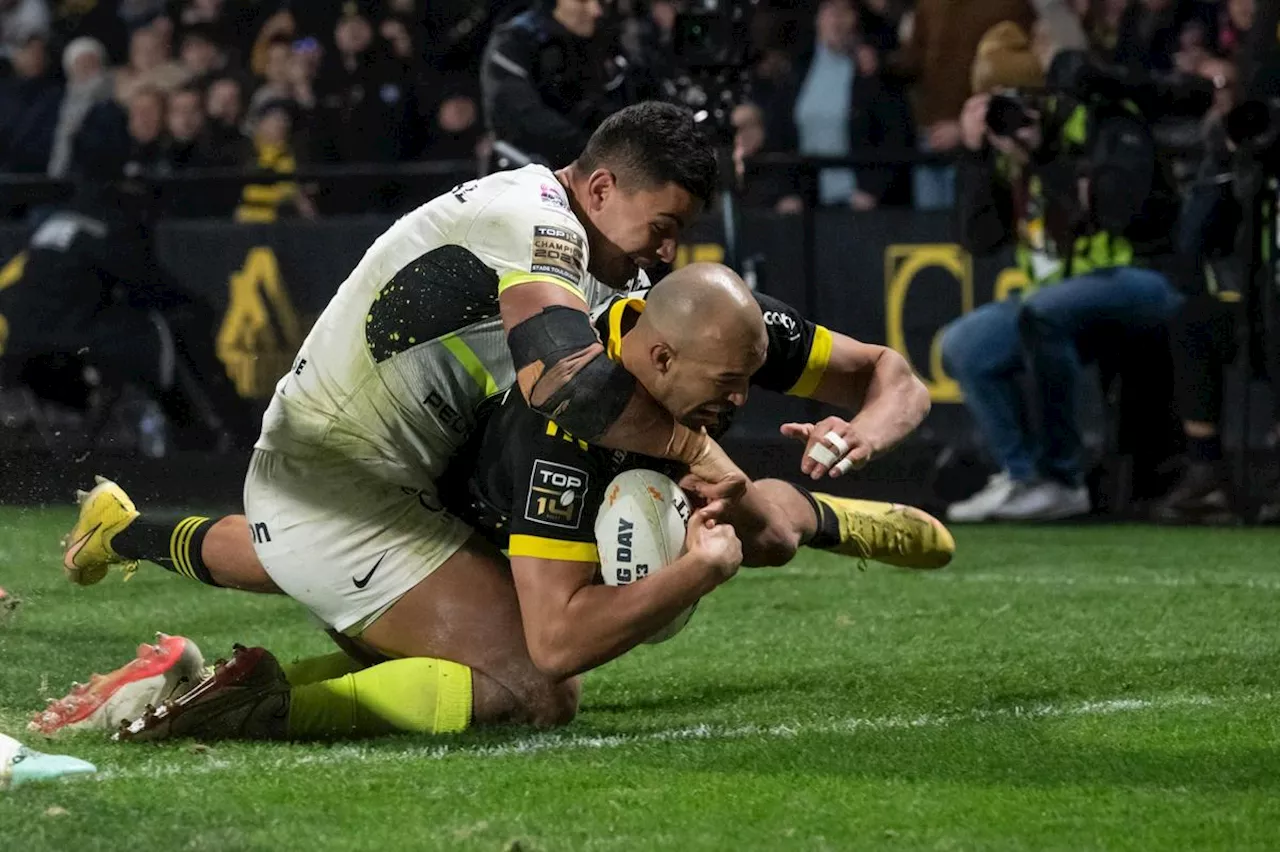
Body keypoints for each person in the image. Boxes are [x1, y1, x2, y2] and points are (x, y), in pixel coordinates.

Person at [53, 264, 951, 742]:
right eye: (731, 383)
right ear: (664, 363)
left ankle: (835, 520)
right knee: (531, 688)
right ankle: (151, 560)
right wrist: (699, 574)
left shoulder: (718, 325)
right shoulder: (553, 441)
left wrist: (863, 430)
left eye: (752, 377)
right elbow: (558, 645)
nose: (747, 398)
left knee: (763, 520)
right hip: (464, 519)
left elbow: (891, 373)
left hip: (632, 461)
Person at [939, 51, 1185, 522]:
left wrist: (1043, 157)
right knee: (963, 344)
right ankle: (1023, 475)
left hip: (1136, 281)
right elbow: (978, 240)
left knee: (1043, 312)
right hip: (1056, 300)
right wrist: (974, 157)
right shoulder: (1004, 151)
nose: (1010, 114)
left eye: (1017, 100)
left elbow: (1113, 212)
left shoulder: (1100, 128)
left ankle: (1062, 477)